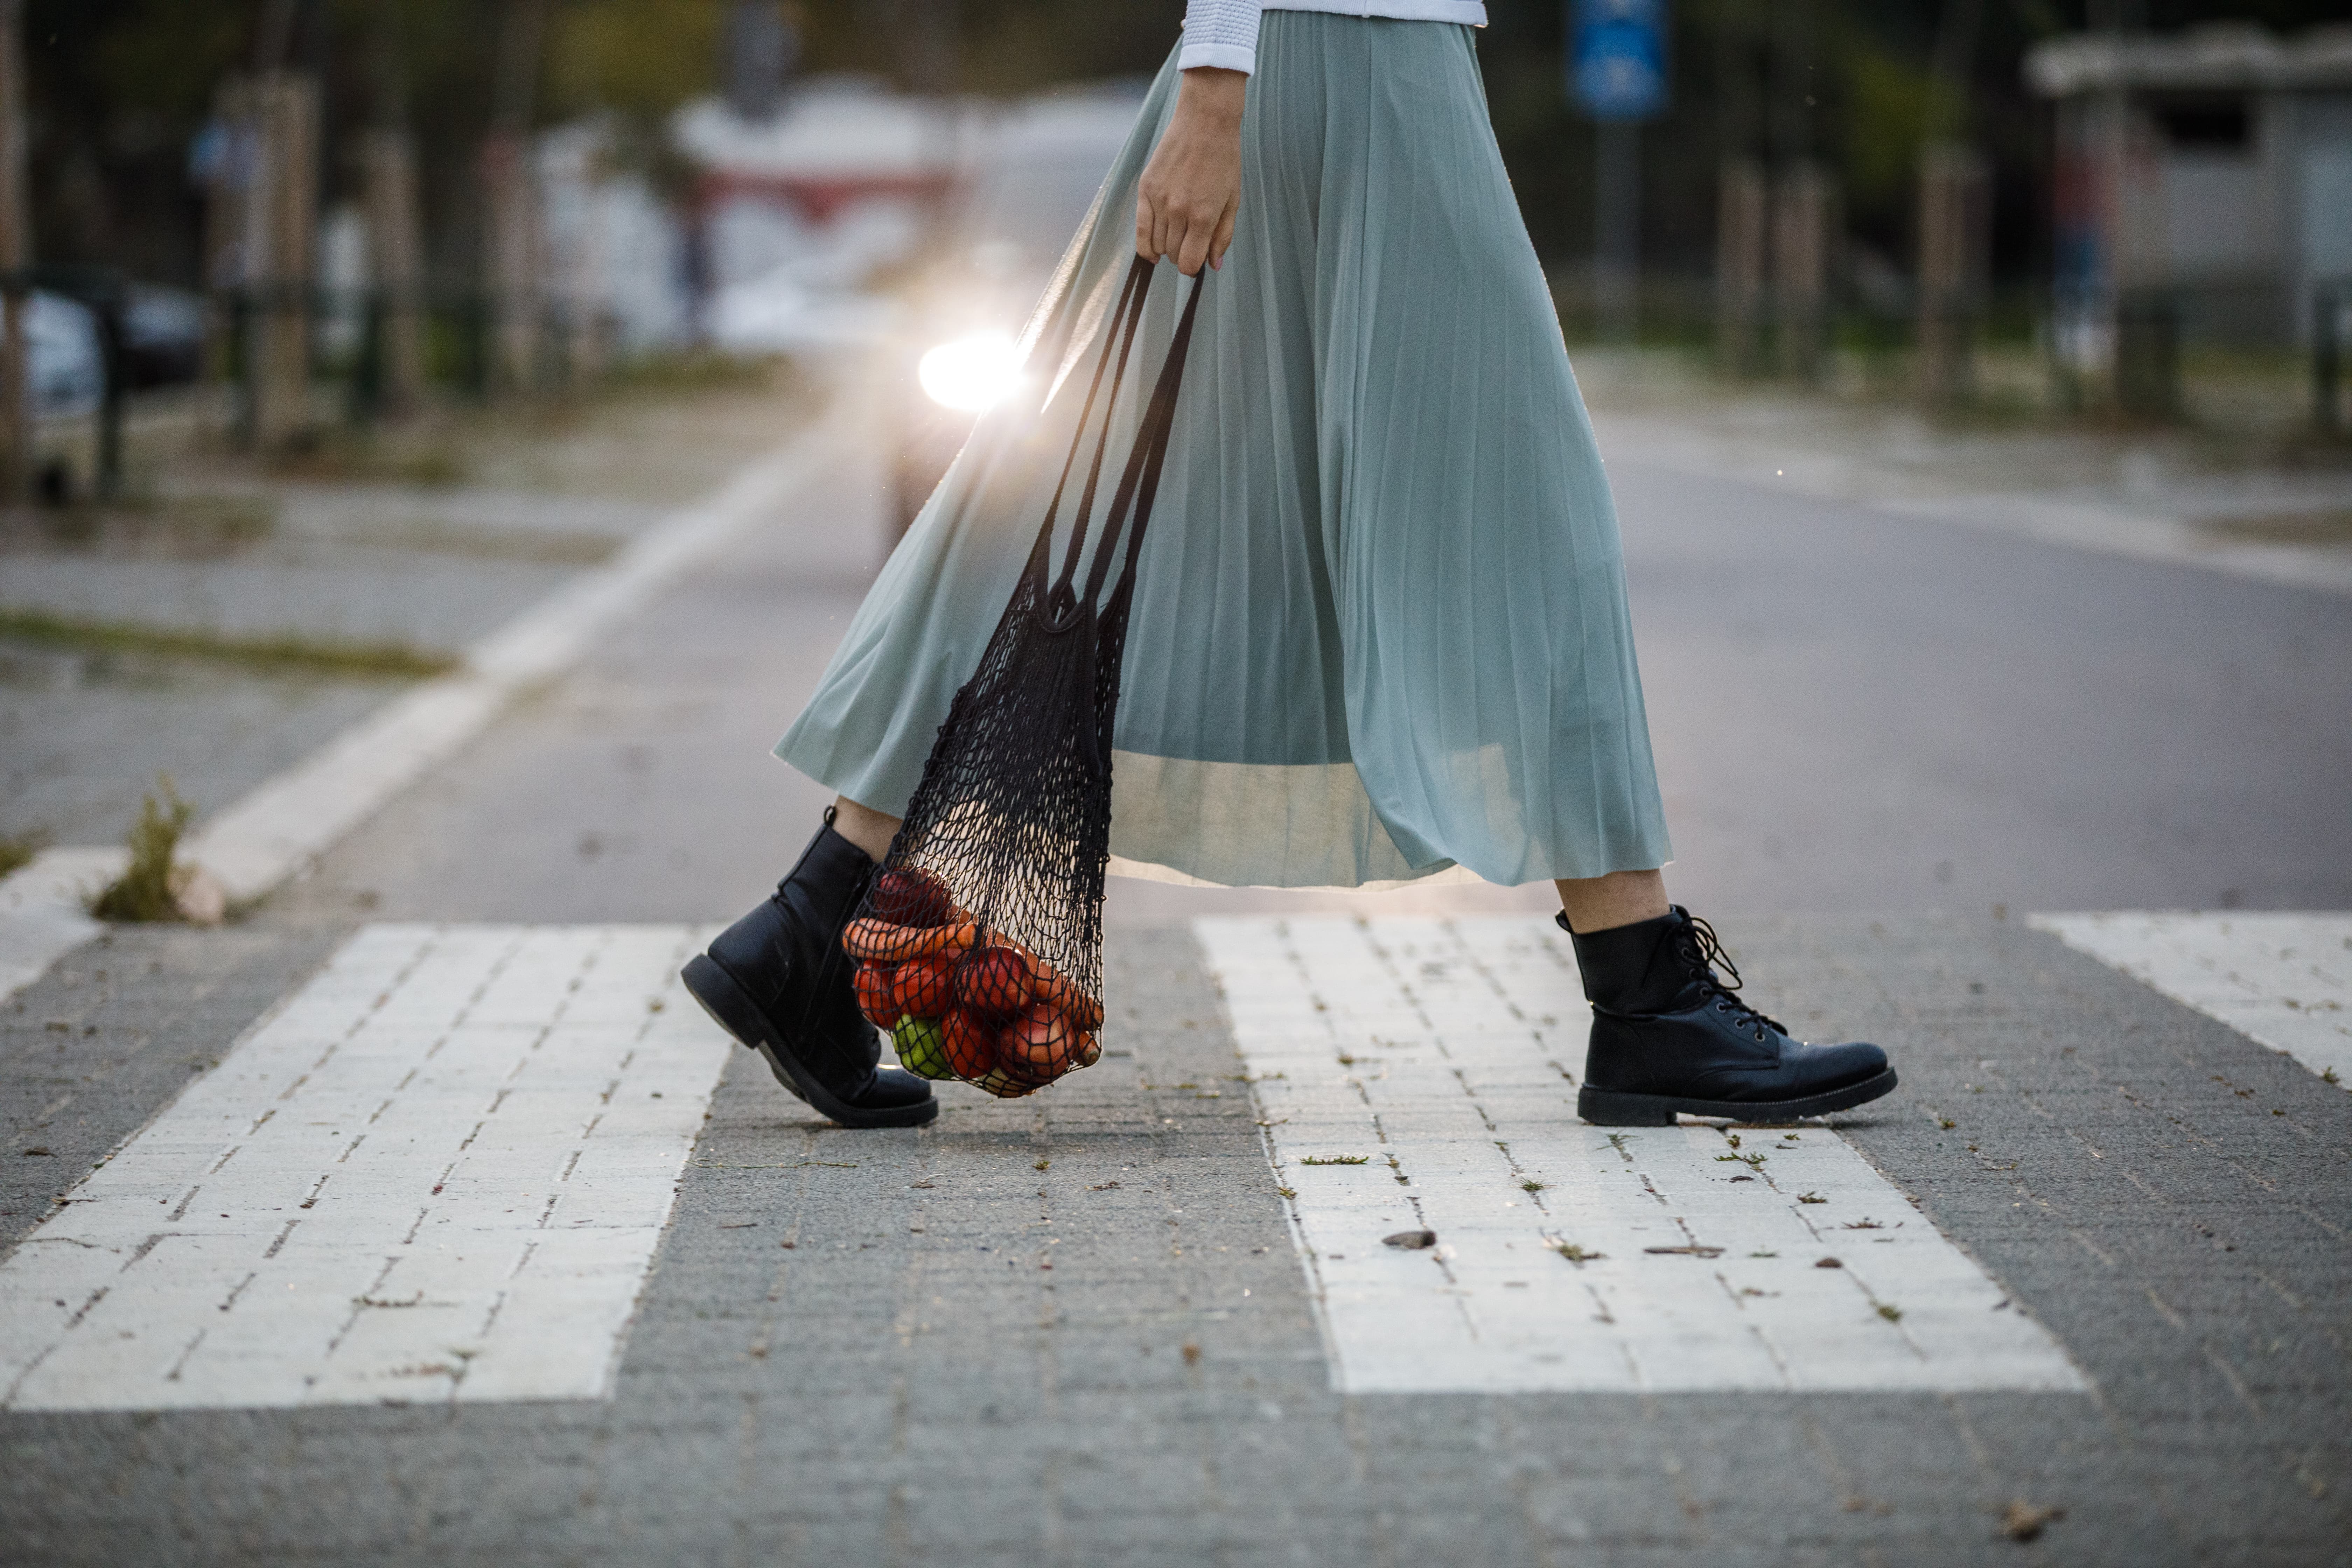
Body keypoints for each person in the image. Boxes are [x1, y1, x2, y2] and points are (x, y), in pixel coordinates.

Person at [680, 1, 1897, 1131]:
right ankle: (1647, 1003)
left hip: (1333, 61)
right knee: (1533, 523)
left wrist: (1225, 74)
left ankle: (812, 918)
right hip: (1342, 57)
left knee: (1053, 501)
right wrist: (1215, 83)